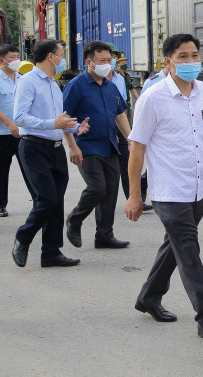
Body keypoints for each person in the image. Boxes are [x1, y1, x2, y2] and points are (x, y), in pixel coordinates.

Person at [125, 33, 203, 346]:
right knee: (189, 252)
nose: (191, 62)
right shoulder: (152, 98)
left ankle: (149, 297)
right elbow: (137, 148)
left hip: (196, 188)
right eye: (182, 56)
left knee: (175, 246)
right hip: (167, 190)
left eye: (194, 55)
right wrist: (135, 194)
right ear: (168, 62)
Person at [12, 39, 90, 268]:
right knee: (46, 198)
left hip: (55, 149)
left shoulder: (53, 84)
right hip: (34, 147)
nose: (63, 59)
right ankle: (23, 236)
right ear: (49, 56)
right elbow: (20, 117)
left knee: (56, 202)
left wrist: (75, 128)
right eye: (61, 54)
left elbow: (59, 120)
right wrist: (53, 123)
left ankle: (51, 252)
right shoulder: (28, 82)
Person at [63, 41, 132, 250]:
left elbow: (120, 114)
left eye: (109, 61)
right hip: (86, 146)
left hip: (110, 145)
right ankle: (74, 219)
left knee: (110, 192)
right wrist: (72, 146)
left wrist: (131, 139)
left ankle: (104, 235)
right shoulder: (76, 86)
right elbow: (64, 118)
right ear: (88, 62)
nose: (106, 64)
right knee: (97, 188)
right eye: (101, 61)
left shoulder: (110, 86)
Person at [0, 44, 31, 218]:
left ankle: (39, 199)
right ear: (1, 60)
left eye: (17, 56)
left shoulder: (22, 78)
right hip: (2, 132)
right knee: (0, 170)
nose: (16, 60)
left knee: (30, 167)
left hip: (23, 131)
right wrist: (9, 124)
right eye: (12, 57)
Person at [110, 54, 150, 209]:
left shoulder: (121, 78)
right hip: (106, 127)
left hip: (122, 119)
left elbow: (121, 107)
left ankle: (133, 197)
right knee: (107, 176)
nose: (110, 61)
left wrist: (129, 138)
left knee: (127, 163)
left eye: (112, 58)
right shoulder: (101, 82)